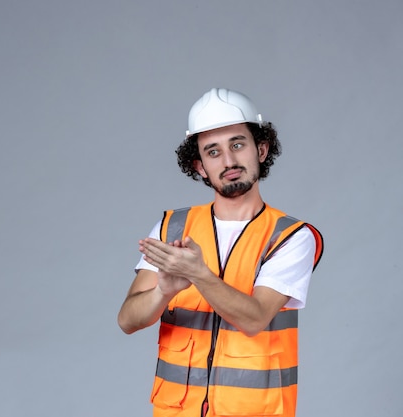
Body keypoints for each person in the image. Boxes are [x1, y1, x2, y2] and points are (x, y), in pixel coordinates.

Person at [117, 88, 324, 417]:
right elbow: (127, 320)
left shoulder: (290, 237)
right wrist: (162, 291)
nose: (228, 161)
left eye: (237, 145)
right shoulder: (173, 226)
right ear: (199, 166)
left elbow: (255, 319)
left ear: (261, 149)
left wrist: (198, 274)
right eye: (213, 152)